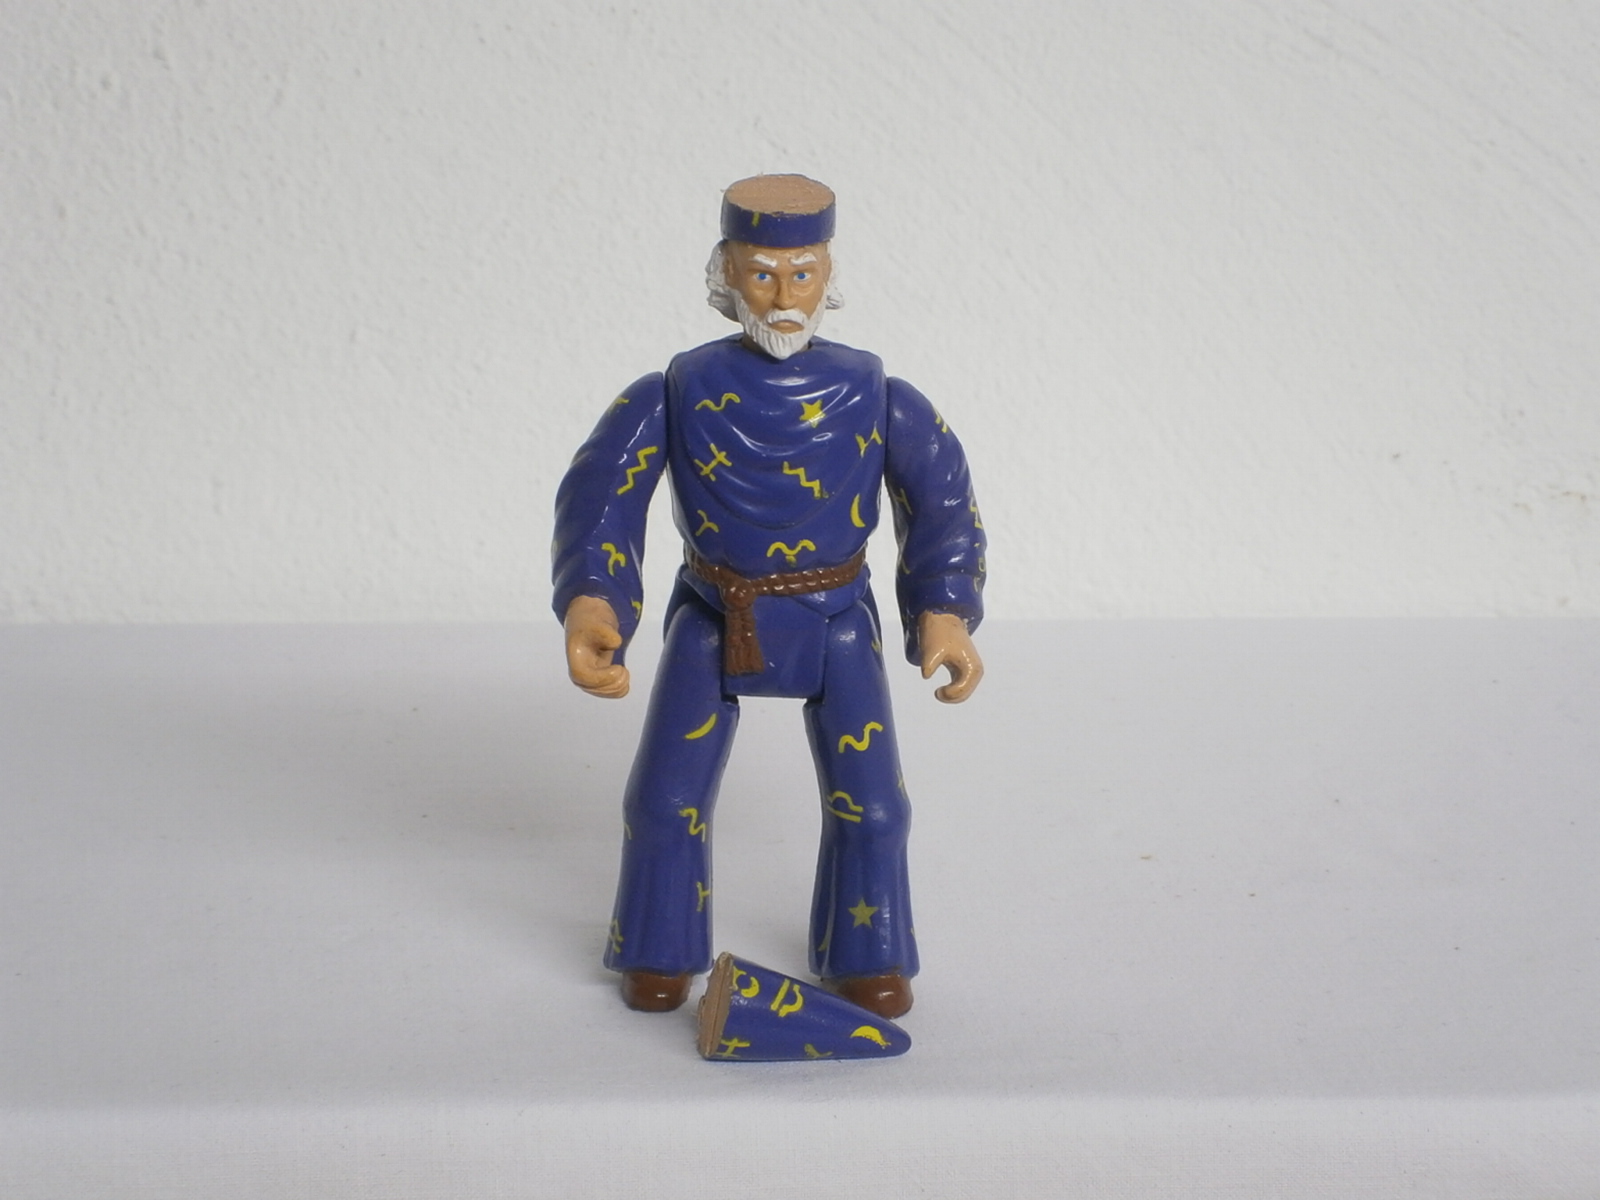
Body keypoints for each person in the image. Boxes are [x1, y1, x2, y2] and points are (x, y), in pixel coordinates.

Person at [552, 174, 985, 1019]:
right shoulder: (677, 389)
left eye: (802, 274)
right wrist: (595, 603)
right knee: (664, 798)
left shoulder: (875, 392)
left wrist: (943, 612)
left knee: (874, 806)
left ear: (828, 276)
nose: (784, 298)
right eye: (761, 274)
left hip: (837, 623)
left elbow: (941, 500)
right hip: (716, 618)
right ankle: (658, 948)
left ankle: (867, 953)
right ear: (726, 275)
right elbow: (601, 494)